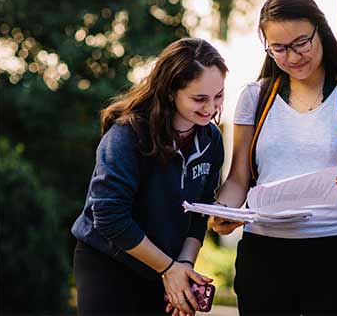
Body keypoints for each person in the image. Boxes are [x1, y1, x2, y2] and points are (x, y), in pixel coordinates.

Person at [209, 0, 337, 316]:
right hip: (263, 253)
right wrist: (224, 212)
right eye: (279, 48)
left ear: (321, 30)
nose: (292, 57)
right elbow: (238, 179)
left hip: (334, 251)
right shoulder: (254, 97)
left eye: (301, 43)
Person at [71, 38, 227, 316]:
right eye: (199, 98)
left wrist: (183, 268)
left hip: (166, 266)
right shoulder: (127, 135)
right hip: (110, 264)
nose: (211, 108)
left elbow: (202, 209)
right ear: (170, 92)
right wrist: (168, 268)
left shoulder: (211, 139)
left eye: (218, 96)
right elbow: (109, 216)